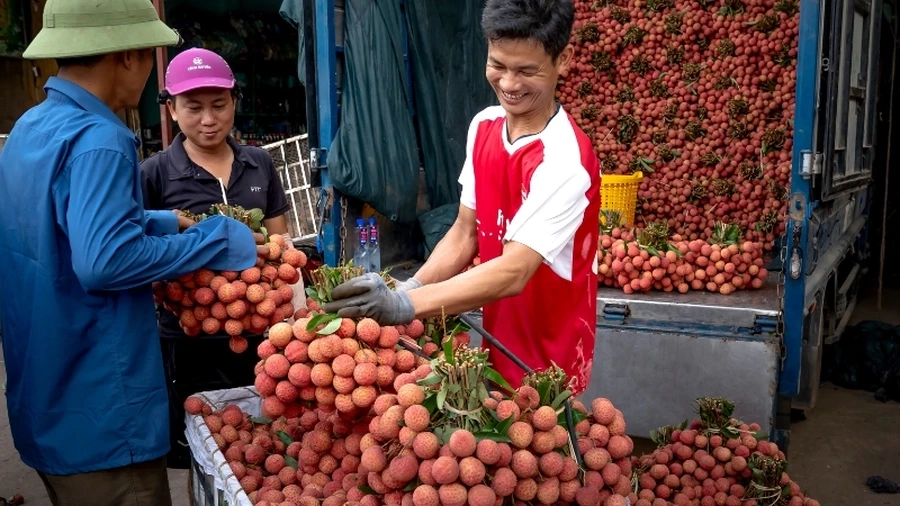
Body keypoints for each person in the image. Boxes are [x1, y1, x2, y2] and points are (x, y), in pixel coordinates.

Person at [0, 1, 265, 504]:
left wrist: (164, 220)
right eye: (150, 57)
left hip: (47, 397)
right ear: (127, 57)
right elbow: (104, 260)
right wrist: (215, 237)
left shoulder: (31, 128)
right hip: (100, 414)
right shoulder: (101, 138)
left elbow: (56, 226)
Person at [323, 0, 601, 395]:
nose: (508, 84)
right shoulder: (484, 126)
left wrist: (403, 307)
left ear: (564, 60)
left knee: (543, 446)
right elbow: (465, 232)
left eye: (527, 71)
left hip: (550, 357)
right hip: (495, 339)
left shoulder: (565, 160)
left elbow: (514, 271)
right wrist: (412, 287)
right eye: (498, 65)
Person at [140, 47, 293, 469]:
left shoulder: (259, 163)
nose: (208, 120)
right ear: (171, 109)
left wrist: (285, 290)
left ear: (234, 103)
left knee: (265, 441)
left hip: (262, 334)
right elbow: (143, 251)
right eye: (193, 108)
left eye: (219, 106)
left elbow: (282, 242)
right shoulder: (154, 173)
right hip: (190, 338)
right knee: (200, 447)